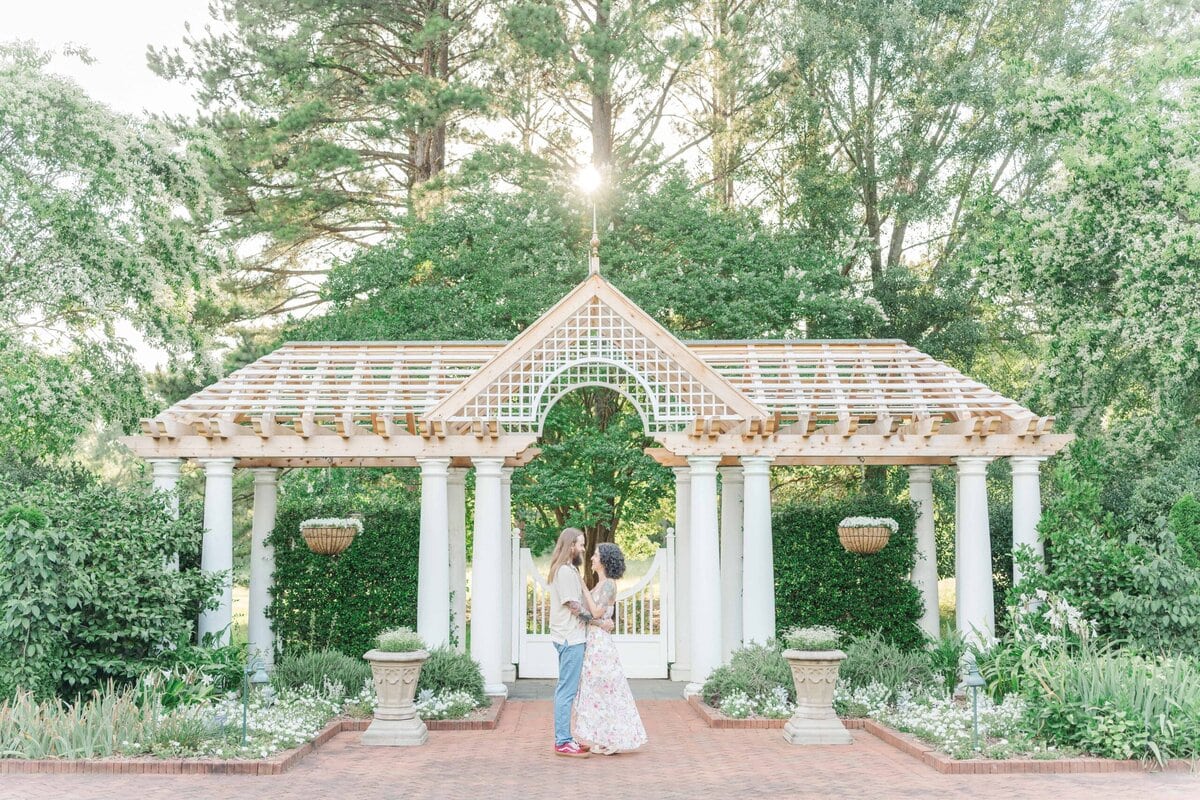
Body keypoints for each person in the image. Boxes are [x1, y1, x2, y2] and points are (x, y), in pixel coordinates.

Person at [573, 542, 648, 755]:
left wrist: (583, 588)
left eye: (595, 555)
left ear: (605, 560)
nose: (592, 559)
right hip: (593, 641)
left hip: (601, 645)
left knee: (609, 689)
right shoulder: (600, 585)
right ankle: (605, 736)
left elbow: (595, 613)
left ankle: (615, 738)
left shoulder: (608, 585)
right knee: (598, 692)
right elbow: (590, 616)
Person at [547, 527, 612, 758]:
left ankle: (566, 737)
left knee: (568, 690)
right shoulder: (564, 571)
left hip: (572, 636)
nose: (583, 548)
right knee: (566, 691)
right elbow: (573, 607)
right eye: (581, 544)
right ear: (570, 545)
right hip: (569, 637)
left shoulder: (570, 570)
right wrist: (598, 622)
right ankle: (563, 741)